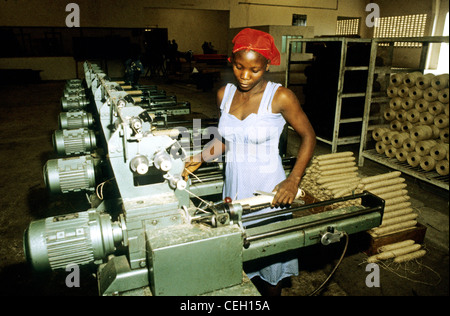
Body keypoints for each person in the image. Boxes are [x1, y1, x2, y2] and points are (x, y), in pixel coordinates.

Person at [183, 28, 316, 295]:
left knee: (269, 266)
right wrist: (197, 158)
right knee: (236, 259)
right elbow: (227, 140)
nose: (245, 76)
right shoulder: (224, 94)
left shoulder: (280, 97)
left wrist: (292, 180)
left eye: (254, 70)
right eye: (239, 67)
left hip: (269, 190)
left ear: (267, 65)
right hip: (234, 186)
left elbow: (309, 136)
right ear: (231, 62)